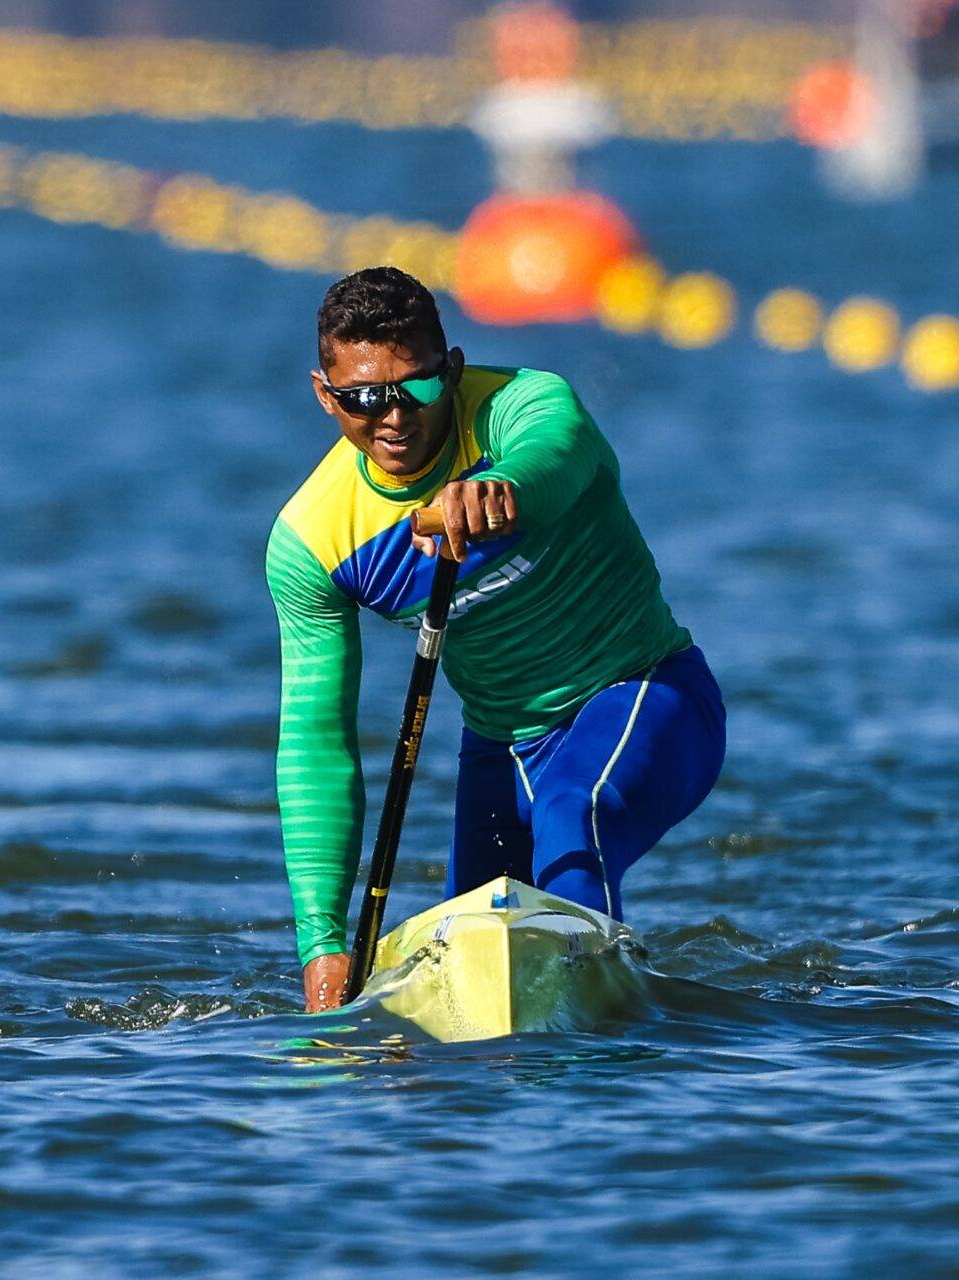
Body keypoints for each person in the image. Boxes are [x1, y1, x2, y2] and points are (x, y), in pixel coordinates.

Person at [267, 266, 726, 1012]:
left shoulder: (527, 404)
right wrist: (322, 946)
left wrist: (499, 490)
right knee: (472, 946)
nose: (392, 419)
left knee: (573, 813)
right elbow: (317, 744)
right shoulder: (311, 542)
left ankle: (609, 1085)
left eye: (414, 388)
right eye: (362, 399)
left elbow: (556, 456)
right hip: (502, 746)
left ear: (450, 371)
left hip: (649, 694)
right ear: (326, 394)